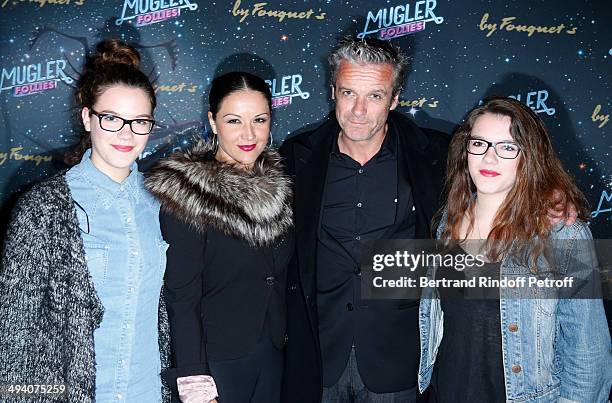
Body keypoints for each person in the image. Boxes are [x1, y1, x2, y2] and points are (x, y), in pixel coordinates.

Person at [279, 36, 450, 403]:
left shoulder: (436, 155)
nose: (358, 110)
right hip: (318, 362)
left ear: (395, 98)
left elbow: (502, 174)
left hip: (399, 362)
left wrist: (549, 195)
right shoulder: (296, 157)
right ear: (332, 92)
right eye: (348, 93)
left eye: (374, 95)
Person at [0, 39, 171, 402]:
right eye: (111, 119)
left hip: (148, 393)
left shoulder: (165, 202)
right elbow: (12, 336)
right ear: (87, 117)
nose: (127, 134)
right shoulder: (42, 208)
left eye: (139, 121)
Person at [418, 97, 612, 402]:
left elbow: (589, 357)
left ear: (529, 156)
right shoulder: (448, 221)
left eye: (507, 147)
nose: (489, 158)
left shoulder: (564, 235)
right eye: (479, 143)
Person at [145, 71, 293, 403]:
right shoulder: (189, 194)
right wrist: (196, 384)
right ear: (213, 122)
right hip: (218, 362)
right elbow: (181, 297)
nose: (249, 134)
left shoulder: (280, 187)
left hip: (272, 352)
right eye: (233, 120)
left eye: (259, 119)